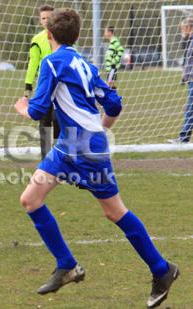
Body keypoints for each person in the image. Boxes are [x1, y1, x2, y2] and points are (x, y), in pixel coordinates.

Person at [14, 9, 178, 309]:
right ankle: (66, 265)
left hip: (82, 147)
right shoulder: (87, 65)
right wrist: (100, 129)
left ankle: (161, 269)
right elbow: (114, 104)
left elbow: (38, 111)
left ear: (49, 35)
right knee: (31, 198)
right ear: (76, 35)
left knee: (115, 211)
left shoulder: (52, 62)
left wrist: (22, 107)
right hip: (74, 145)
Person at [24, 5, 59, 159]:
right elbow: (33, 64)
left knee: (59, 120)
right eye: (43, 18)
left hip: (61, 87)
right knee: (44, 121)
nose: (46, 21)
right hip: (44, 87)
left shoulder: (63, 37)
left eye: (49, 18)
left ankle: (59, 155)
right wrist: (28, 86)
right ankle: (46, 157)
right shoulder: (37, 40)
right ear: (40, 21)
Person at [168, 17, 193, 144]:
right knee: (189, 109)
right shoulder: (189, 41)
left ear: (189, 28)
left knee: (190, 109)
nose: (181, 31)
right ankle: (183, 138)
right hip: (190, 80)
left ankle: (183, 139)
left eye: (183, 28)